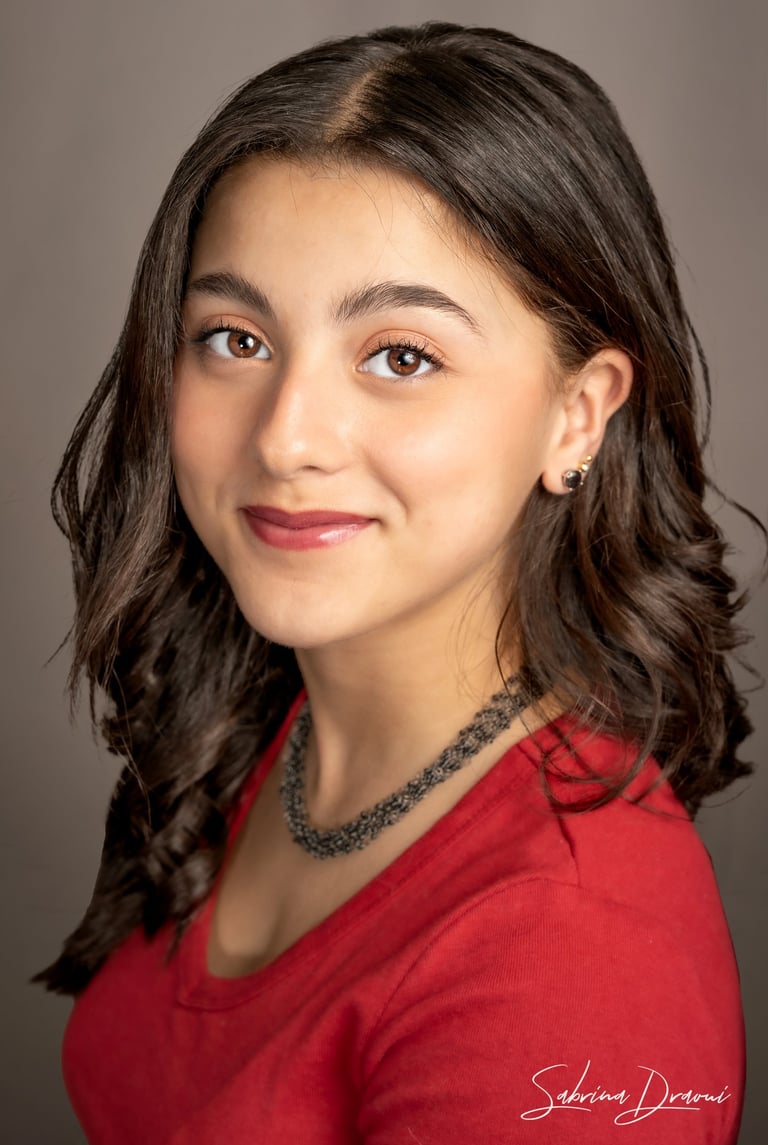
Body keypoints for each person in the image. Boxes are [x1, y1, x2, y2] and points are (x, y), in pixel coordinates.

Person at [36, 21, 756, 1144]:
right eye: (234, 338)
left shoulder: (572, 962)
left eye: (401, 356)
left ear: (579, 413)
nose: (288, 437)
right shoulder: (251, 731)